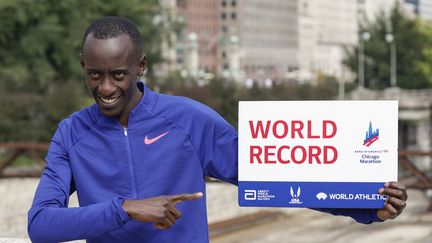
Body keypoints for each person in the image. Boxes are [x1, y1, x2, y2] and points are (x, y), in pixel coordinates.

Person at [27, 16, 407, 243]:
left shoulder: (190, 120)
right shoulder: (70, 132)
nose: (106, 88)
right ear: (83, 67)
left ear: (141, 66)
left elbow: (274, 177)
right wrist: (125, 209)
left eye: (118, 75)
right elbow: (41, 225)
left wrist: (369, 205)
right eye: (94, 75)